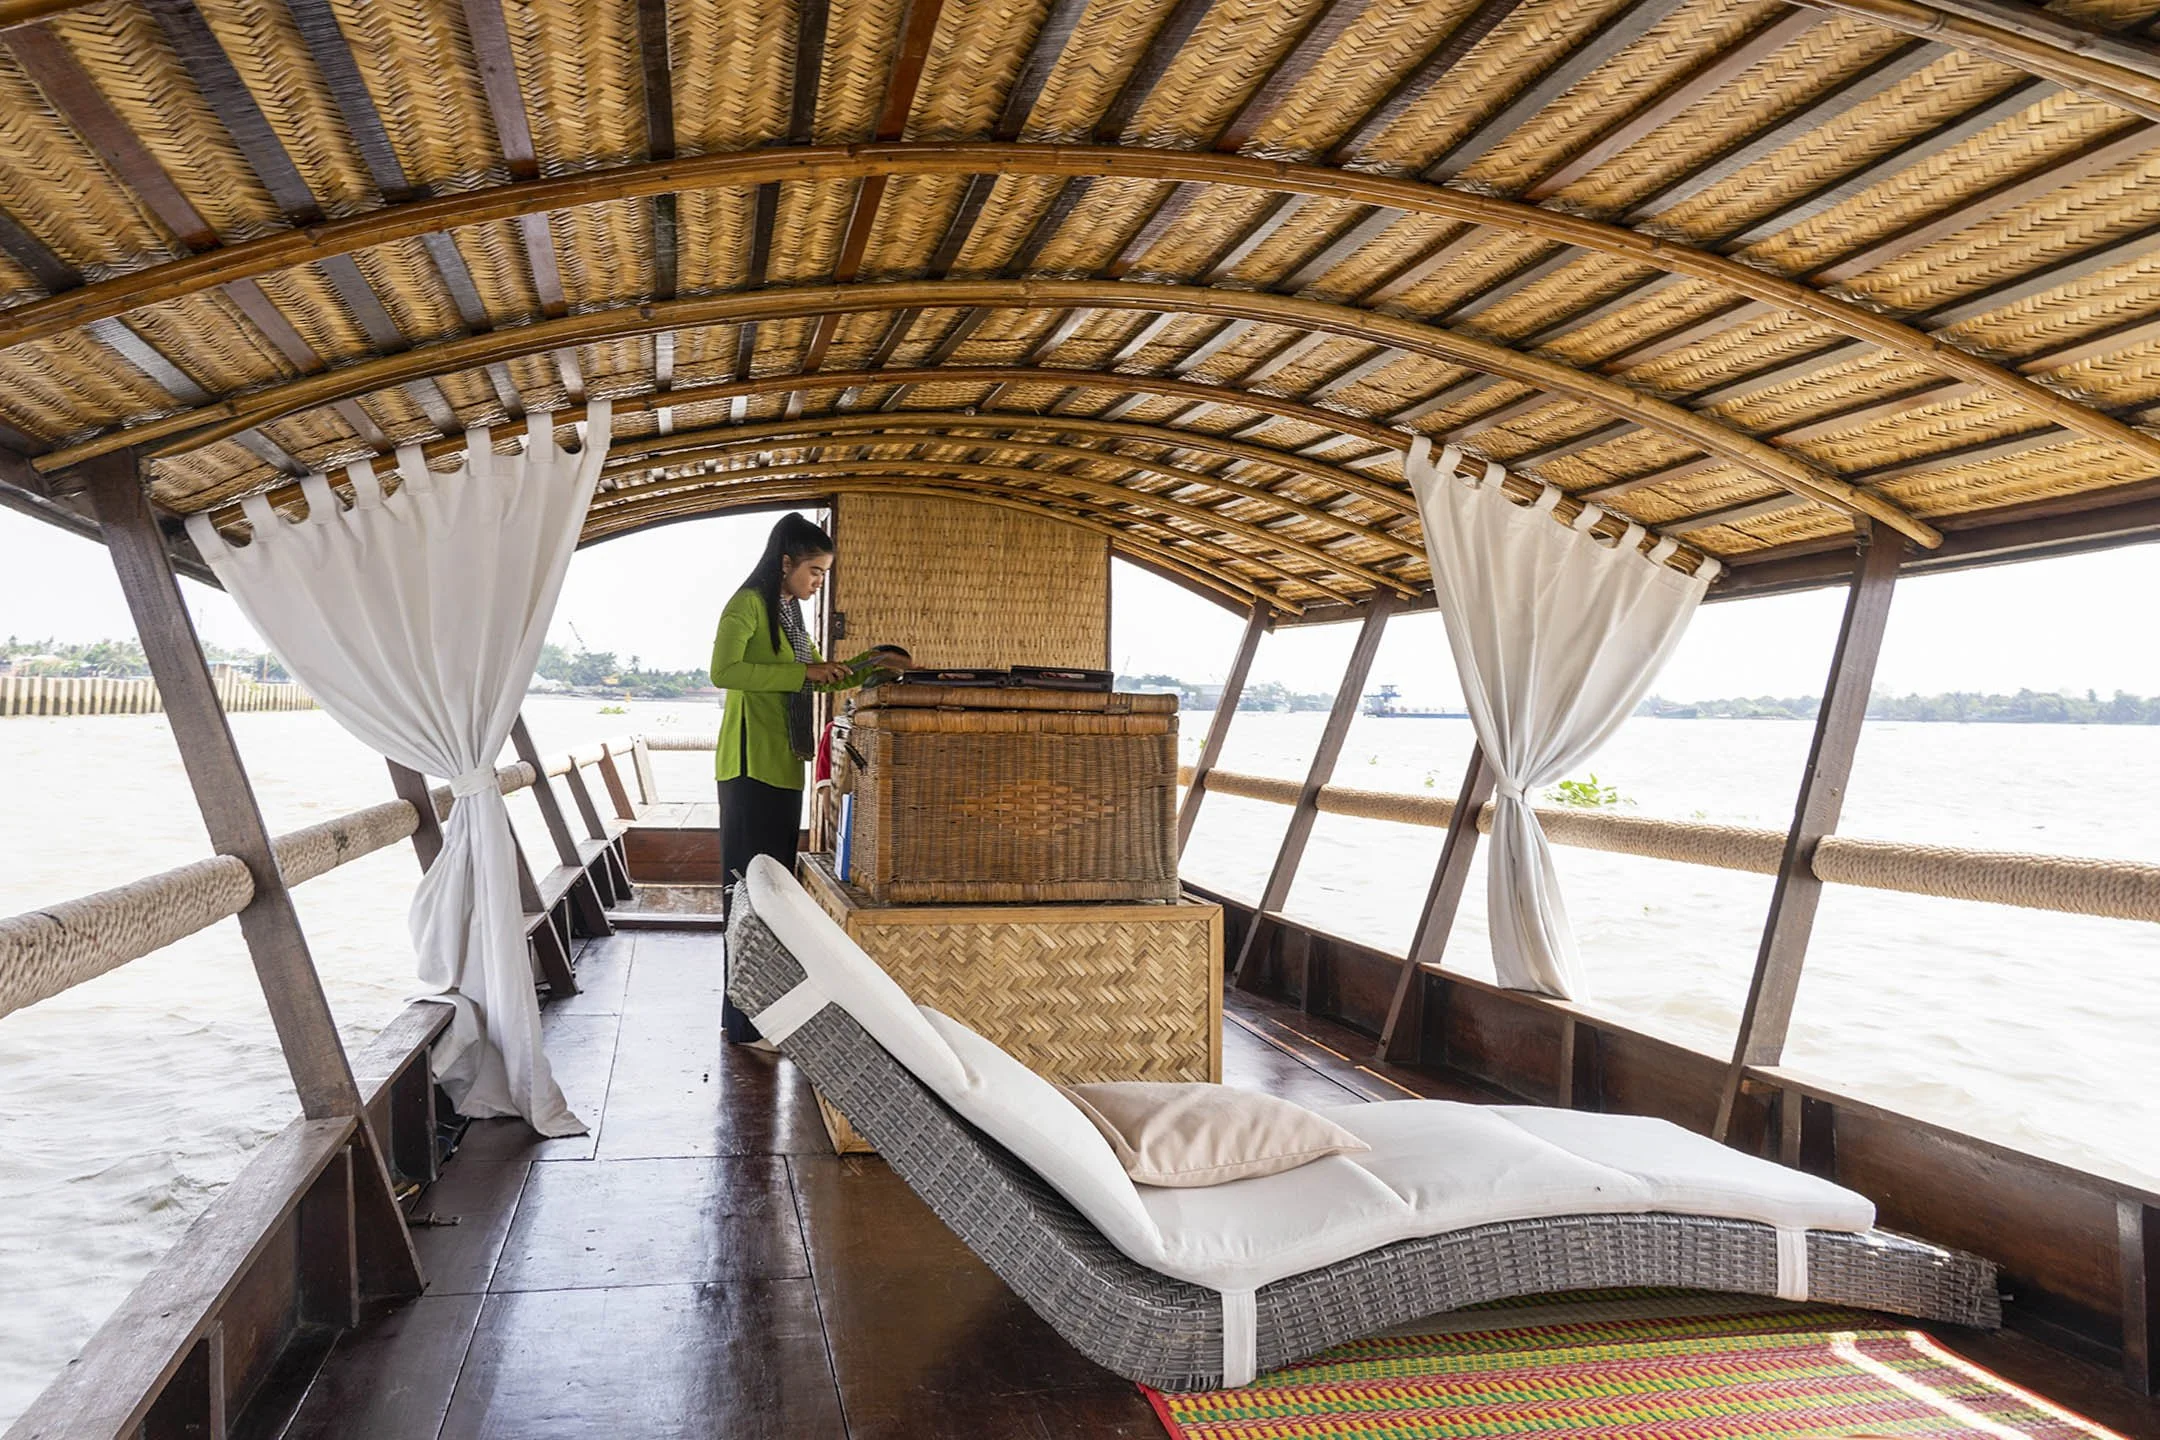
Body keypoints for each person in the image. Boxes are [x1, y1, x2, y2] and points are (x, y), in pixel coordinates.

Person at [711, 514, 861, 1045]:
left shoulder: (790, 616)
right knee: (745, 895)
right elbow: (724, 672)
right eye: (814, 571)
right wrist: (803, 672)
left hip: (783, 762)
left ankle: (766, 1014)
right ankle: (741, 1021)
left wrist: (866, 668)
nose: (818, 582)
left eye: (823, 574)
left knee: (774, 893)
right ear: (786, 562)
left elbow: (819, 673)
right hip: (749, 766)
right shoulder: (746, 605)